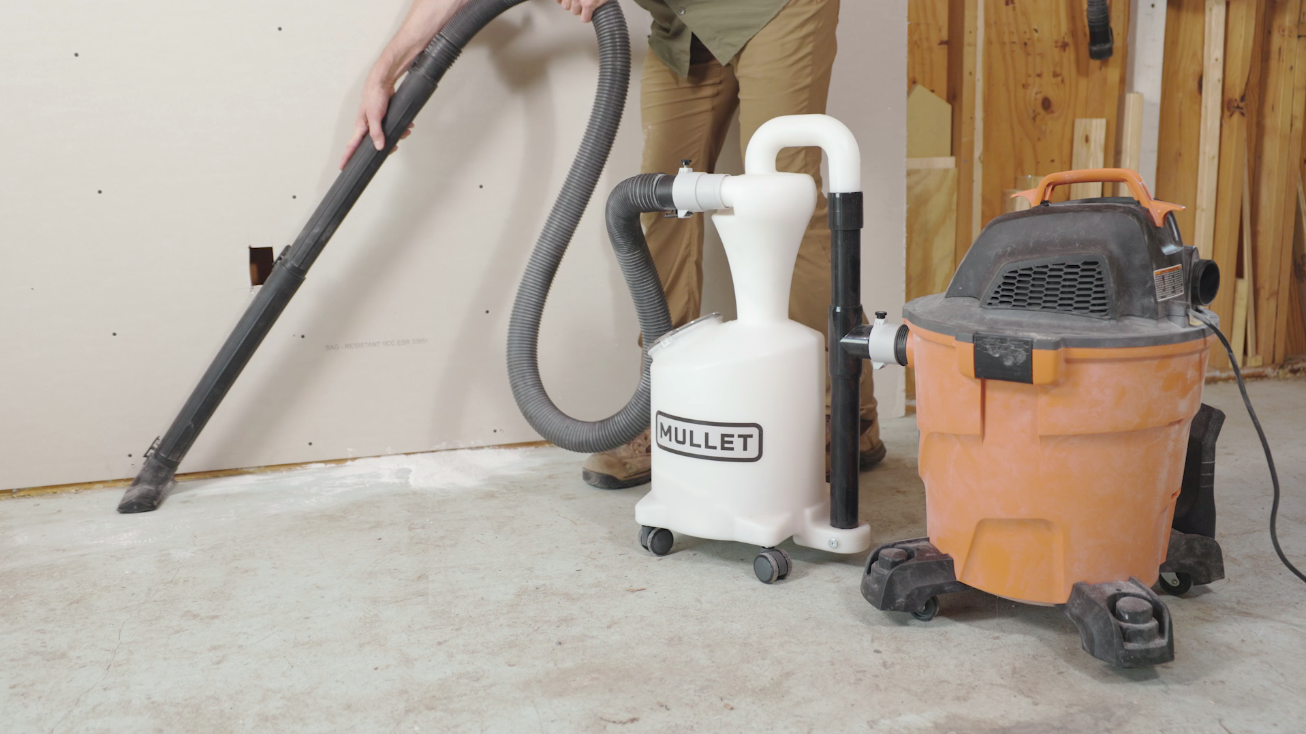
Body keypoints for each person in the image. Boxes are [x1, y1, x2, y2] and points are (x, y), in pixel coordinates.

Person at [344, 0, 883, 491]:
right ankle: (665, 406)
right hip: (686, 24)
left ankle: (836, 413)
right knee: (660, 203)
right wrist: (387, 70)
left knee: (782, 203)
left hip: (775, 9)